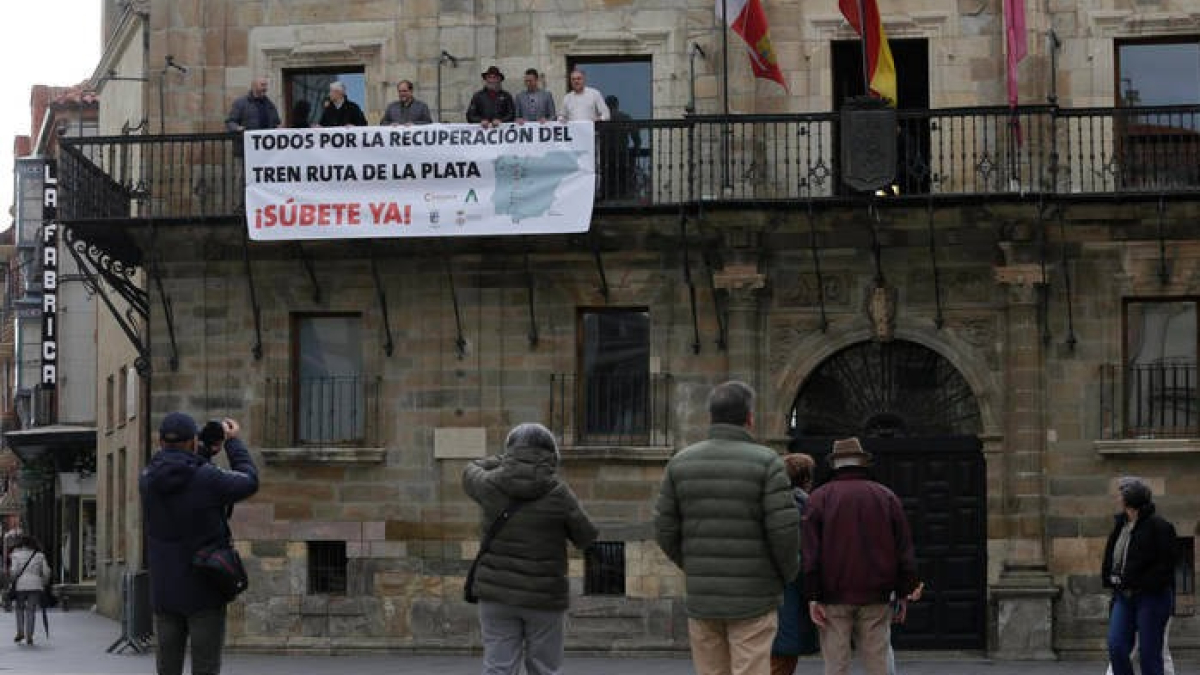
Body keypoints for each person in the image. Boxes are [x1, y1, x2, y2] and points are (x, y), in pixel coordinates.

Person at [654, 381, 799, 675]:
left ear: (711, 416)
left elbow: (664, 529)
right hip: (755, 594)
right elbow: (783, 533)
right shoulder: (768, 463)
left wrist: (693, 565)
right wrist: (785, 575)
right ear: (750, 418)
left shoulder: (680, 463)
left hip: (703, 594)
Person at [462, 423, 598, 675]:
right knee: (544, 668)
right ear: (552, 455)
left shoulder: (489, 484)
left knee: (498, 667)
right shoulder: (559, 493)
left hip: (496, 594)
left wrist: (503, 460)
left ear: (510, 451)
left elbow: (470, 469)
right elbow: (587, 536)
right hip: (544, 597)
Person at [141, 413, 259, 675]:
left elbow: (180, 472)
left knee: (167, 669)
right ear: (193, 442)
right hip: (205, 587)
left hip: (165, 590)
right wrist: (232, 443)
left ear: (160, 442)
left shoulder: (148, 479)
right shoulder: (208, 478)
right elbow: (249, 481)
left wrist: (205, 451)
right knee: (205, 667)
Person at [803, 437, 918, 675]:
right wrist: (903, 592)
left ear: (835, 464)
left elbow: (810, 553)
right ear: (862, 462)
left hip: (832, 595)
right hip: (877, 594)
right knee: (878, 663)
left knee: (836, 664)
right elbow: (904, 550)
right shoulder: (886, 496)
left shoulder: (819, 498)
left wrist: (813, 595)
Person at [1102, 476, 1177, 675]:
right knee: (1116, 645)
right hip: (1124, 596)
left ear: (1131, 498)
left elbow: (1167, 565)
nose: (1117, 498)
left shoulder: (1160, 526)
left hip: (1152, 597)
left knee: (1149, 654)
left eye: (1121, 495)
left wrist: (1139, 582)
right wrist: (1112, 578)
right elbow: (1112, 557)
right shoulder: (1121, 525)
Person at [770, 453, 818, 675]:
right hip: (788, 591)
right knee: (781, 659)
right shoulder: (802, 507)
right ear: (806, 479)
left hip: (766, 592)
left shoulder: (769, 503)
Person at [9, 535, 50, 646]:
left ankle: (20, 632)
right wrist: (44, 582)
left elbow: (13, 571)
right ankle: (29, 636)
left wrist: (12, 579)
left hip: (21, 585)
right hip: (35, 585)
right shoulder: (40, 555)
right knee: (31, 610)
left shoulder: (16, 555)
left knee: (19, 608)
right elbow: (46, 572)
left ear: (22, 544)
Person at [600, 94, 641, 199]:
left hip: (606, 157)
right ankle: (623, 198)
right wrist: (636, 149)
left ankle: (607, 198)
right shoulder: (625, 117)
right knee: (623, 182)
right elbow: (636, 136)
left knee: (607, 182)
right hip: (622, 155)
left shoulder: (601, 120)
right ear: (617, 105)